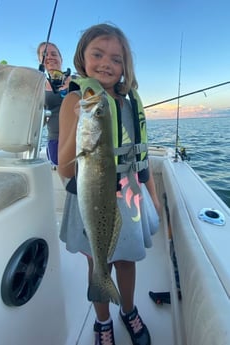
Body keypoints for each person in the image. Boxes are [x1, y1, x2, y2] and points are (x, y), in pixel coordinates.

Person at [58, 23, 161, 345]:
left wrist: (153, 198)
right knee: (96, 261)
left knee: (126, 260)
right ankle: (103, 321)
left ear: (125, 67)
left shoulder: (129, 103)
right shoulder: (76, 101)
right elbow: (64, 167)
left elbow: (140, 160)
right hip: (90, 196)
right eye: (98, 54)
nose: (106, 63)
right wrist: (82, 120)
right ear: (83, 59)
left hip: (129, 196)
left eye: (116, 59)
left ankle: (128, 311)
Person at [37, 42, 72, 167]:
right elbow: (40, 120)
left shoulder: (77, 81)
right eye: (44, 55)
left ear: (61, 58)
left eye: (53, 54)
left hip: (78, 140)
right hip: (55, 140)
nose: (50, 57)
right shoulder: (38, 87)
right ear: (40, 60)